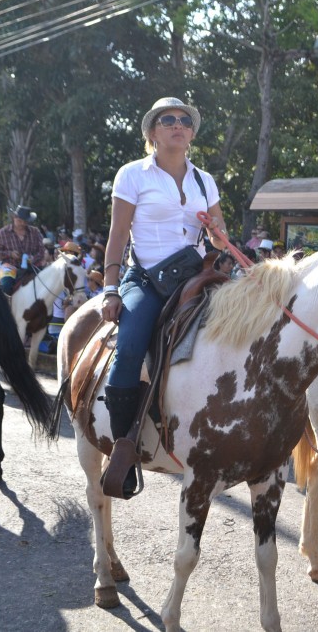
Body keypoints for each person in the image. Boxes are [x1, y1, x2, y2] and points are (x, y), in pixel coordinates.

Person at [99, 96, 228, 499]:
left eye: (184, 120)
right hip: (145, 279)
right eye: (168, 119)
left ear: (191, 133)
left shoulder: (205, 181)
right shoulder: (132, 175)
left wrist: (217, 232)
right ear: (153, 132)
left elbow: (220, 236)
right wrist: (109, 287)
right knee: (130, 348)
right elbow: (119, 235)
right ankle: (123, 446)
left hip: (194, 277)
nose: (178, 124)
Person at [0, 205, 48, 295]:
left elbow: (42, 250)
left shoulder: (35, 232)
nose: (22, 223)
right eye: (20, 220)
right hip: (9, 265)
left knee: (47, 284)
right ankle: (4, 307)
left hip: (32, 266)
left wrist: (33, 258)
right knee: (5, 286)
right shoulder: (3, 233)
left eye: (25, 221)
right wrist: (9, 254)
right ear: (14, 218)